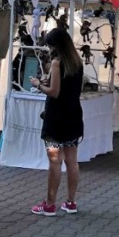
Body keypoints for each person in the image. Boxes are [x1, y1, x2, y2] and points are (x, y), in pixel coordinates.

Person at [29, 28, 84, 216]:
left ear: (55, 46)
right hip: (73, 116)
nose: (49, 49)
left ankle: (50, 204)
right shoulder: (77, 63)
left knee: (55, 161)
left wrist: (38, 84)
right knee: (72, 161)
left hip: (56, 117)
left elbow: (54, 92)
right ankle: (71, 201)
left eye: (50, 45)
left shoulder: (56, 63)